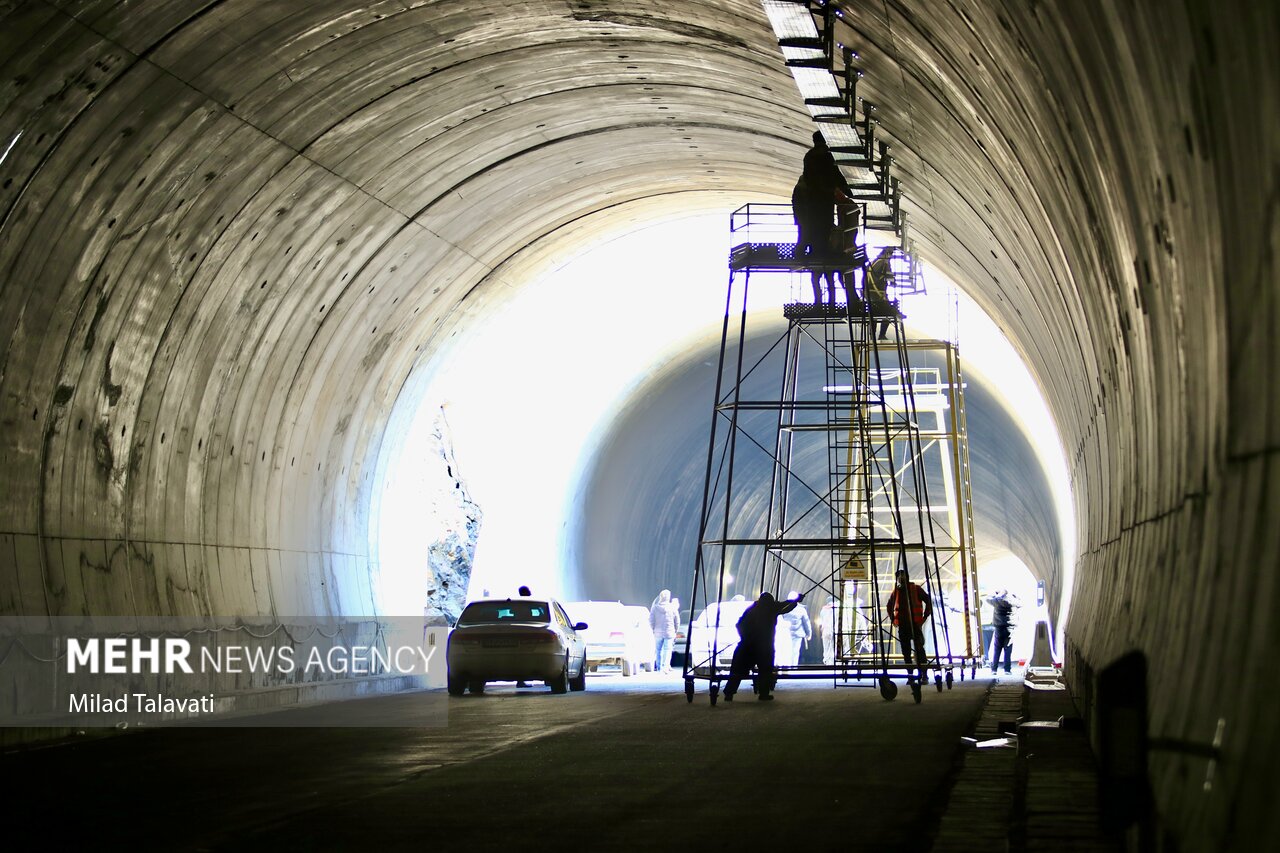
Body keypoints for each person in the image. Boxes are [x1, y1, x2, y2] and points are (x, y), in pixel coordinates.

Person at [793, 131, 852, 305]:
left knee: (812, 249)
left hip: (811, 209)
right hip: (823, 207)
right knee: (827, 266)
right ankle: (832, 301)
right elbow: (835, 176)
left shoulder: (809, 157)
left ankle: (820, 300)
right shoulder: (826, 157)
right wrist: (845, 189)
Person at [723, 591, 801, 701]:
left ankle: (729, 693)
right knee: (765, 671)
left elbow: (739, 625)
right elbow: (784, 607)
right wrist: (795, 601)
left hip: (746, 646)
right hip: (764, 647)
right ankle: (764, 694)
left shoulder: (751, 609)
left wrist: (745, 637)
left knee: (737, 671)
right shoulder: (771, 608)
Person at [886, 569, 933, 683]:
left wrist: (925, 617)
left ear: (907, 578)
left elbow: (928, 601)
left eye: (902, 577)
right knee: (906, 652)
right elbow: (889, 606)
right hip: (904, 626)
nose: (900, 579)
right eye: (899, 577)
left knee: (919, 650)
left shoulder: (916, 589)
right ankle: (911, 676)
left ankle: (923, 675)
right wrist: (893, 619)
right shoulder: (896, 592)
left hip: (915, 625)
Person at [864, 247, 905, 340]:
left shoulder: (873, 262)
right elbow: (890, 277)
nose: (891, 256)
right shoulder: (884, 263)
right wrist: (894, 282)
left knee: (873, 315)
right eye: (891, 254)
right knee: (889, 313)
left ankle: (872, 336)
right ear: (887, 254)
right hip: (878, 294)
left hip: (868, 295)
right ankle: (882, 335)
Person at [649, 589, 680, 673]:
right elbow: (677, 620)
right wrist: (675, 630)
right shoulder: (672, 608)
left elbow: (651, 621)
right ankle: (666, 667)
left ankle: (659, 667)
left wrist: (653, 629)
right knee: (668, 650)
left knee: (658, 650)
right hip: (669, 632)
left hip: (657, 633)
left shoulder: (655, 608)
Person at [779, 590, 812, 666]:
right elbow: (806, 622)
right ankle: (793, 666)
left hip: (785, 634)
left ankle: (785, 665)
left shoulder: (784, 609)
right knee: (795, 651)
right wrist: (808, 634)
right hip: (797, 635)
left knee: (785, 651)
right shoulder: (802, 610)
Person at [987, 589, 1016, 674]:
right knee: (1008, 650)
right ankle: (1007, 670)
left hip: (999, 628)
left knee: (997, 649)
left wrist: (997, 594)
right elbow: (1020, 603)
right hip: (1009, 629)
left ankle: (994, 669)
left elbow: (987, 599)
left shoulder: (996, 602)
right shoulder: (1011, 602)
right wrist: (1014, 596)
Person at [819, 597, 839, 665]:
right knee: (835, 647)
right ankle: (834, 662)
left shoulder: (823, 610)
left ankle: (827, 662)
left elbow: (821, 622)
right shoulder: (837, 609)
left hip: (826, 631)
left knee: (826, 647)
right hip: (835, 631)